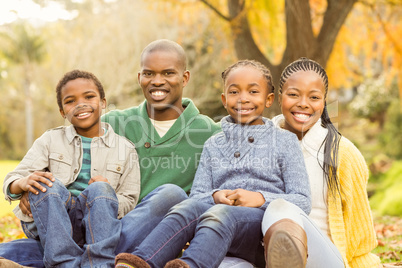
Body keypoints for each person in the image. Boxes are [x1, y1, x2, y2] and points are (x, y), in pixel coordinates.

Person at [0, 39, 221, 267]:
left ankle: (80, 259)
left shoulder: (209, 133)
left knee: (171, 195)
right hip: (86, 222)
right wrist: (27, 187)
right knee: (71, 234)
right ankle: (94, 261)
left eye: (168, 73)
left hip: (138, 227)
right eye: (148, 74)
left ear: (184, 78)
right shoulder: (113, 122)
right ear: (139, 78)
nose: (157, 81)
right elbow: (66, 146)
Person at [114, 59, 312, 268]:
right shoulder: (214, 143)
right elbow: (198, 194)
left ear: (269, 99)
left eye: (253, 92)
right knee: (186, 207)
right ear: (224, 100)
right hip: (213, 228)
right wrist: (216, 195)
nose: (243, 99)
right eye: (234, 92)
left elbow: (302, 200)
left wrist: (260, 198)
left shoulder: (284, 141)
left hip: (256, 229)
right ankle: (140, 262)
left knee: (220, 213)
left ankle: (189, 265)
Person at [2, 70, 141, 267]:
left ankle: (98, 264)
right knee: (46, 183)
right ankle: (63, 263)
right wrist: (23, 183)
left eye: (89, 97)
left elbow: (130, 200)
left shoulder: (125, 149)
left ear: (103, 102)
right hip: (53, 224)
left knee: (100, 189)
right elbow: (12, 179)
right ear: (62, 112)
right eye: (70, 101)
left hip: (98, 225)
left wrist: (106, 194)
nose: (80, 105)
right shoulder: (50, 140)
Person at [261, 57, 382, 268]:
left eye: (314, 97)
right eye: (293, 95)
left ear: (324, 102)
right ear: (279, 98)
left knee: (281, 206)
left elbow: (359, 237)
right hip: (263, 256)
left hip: (325, 259)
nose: (303, 103)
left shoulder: (342, 153)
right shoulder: (259, 143)